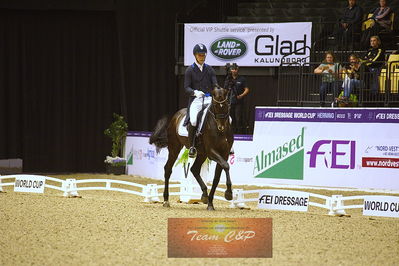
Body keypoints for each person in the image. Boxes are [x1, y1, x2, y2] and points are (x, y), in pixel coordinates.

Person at [183, 43, 218, 158]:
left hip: (209, 98)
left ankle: (227, 142)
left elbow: (215, 84)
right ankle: (192, 146)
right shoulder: (190, 70)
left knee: (223, 115)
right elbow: (186, 87)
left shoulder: (209, 69)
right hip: (196, 100)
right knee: (193, 120)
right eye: (200, 55)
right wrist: (195, 92)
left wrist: (218, 90)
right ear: (195, 56)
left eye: (203, 55)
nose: (202, 57)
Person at [223, 63, 250, 134]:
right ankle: (232, 133)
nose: (234, 71)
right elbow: (225, 89)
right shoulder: (228, 79)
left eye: (235, 69)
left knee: (238, 118)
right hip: (230, 102)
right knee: (231, 118)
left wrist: (241, 95)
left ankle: (239, 133)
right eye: (232, 69)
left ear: (237, 70)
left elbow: (247, 89)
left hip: (239, 102)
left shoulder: (242, 79)